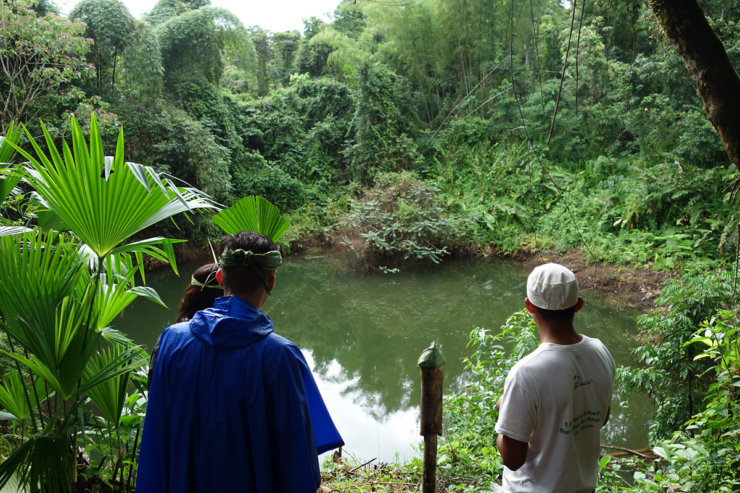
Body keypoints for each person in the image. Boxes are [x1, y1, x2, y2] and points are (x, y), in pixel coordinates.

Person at [137, 231, 343, 492]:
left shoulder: (171, 341)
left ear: (221, 276)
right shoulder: (281, 356)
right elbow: (296, 454)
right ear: (271, 281)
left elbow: (156, 435)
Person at [494, 263, 615, 493]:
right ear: (578, 305)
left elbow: (512, 459)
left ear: (529, 306)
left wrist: (505, 411)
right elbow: (602, 418)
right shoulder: (600, 352)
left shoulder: (526, 373)